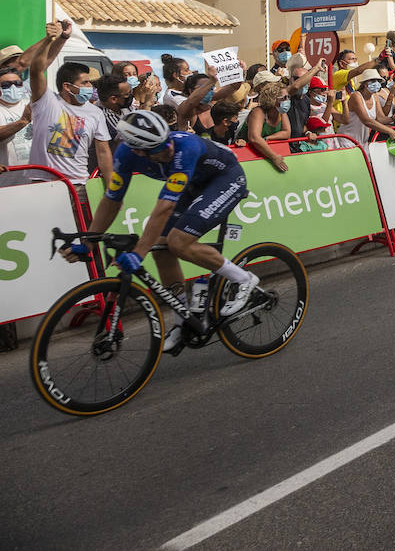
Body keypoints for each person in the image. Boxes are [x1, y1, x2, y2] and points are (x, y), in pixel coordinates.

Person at [58, 110, 259, 355]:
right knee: (161, 249)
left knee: (178, 241)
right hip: (193, 184)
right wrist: (88, 241)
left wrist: (138, 254)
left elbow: (164, 208)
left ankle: (243, 279)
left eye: (167, 142)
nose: (168, 150)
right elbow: (112, 200)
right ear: (139, 151)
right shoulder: (125, 154)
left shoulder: (185, 147)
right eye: (159, 149)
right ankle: (181, 319)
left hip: (225, 179)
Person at [26, 20, 112, 211]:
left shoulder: (95, 112)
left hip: (79, 187)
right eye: (85, 83)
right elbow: (36, 69)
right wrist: (52, 39)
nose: (91, 87)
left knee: (82, 233)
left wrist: (111, 186)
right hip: (43, 183)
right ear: (67, 86)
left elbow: (103, 152)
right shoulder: (47, 102)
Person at [341, 68, 395, 146]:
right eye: (373, 81)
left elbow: (381, 119)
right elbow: (366, 121)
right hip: (347, 141)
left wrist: (393, 118)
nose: (377, 83)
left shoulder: (374, 96)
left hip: (362, 142)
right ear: (365, 84)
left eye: (378, 81)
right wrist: (390, 131)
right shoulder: (356, 96)